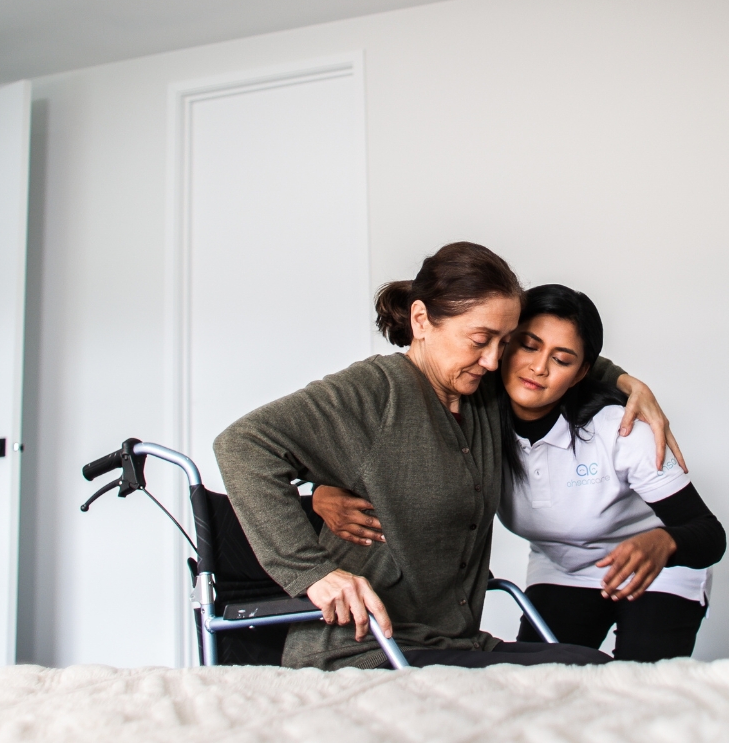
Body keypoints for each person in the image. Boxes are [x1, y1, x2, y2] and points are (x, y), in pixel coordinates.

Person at [215, 242, 680, 669]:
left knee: (592, 670)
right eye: (480, 341)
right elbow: (243, 446)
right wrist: (314, 573)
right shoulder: (373, 393)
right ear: (421, 321)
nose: (496, 361)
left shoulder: (482, 390)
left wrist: (627, 383)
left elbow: (562, 359)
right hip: (368, 649)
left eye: (506, 341)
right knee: (585, 674)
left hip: (455, 643)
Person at [320, 284, 726, 662]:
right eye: (528, 346)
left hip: (656, 571)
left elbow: (709, 534)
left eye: (561, 359)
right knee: (541, 687)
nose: (539, 368)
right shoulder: (475, 418)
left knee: (645, 689)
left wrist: (663, 541)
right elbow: (382, 449)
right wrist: (322, 490)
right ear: (503, 346)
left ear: (582, 372)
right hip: (563, 570)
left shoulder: (621, 429)